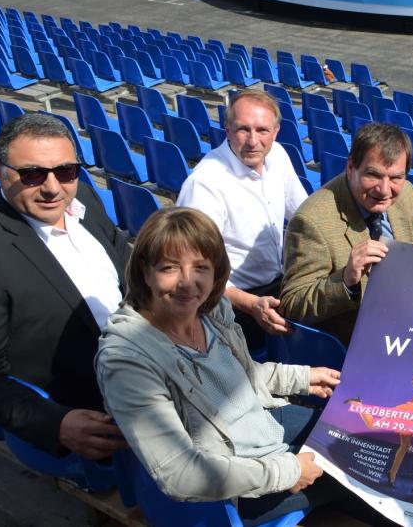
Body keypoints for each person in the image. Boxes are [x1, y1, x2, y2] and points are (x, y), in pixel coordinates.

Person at [96, 207, 344, 524]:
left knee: (355, 437)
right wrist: (288, 471)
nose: (188, 283)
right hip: (234, 484)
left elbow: (242, 375)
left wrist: (300, 377)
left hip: (262, 424)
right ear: (145, 271)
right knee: (363, 478)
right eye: (170, 267)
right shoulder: (126, 361)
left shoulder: (212, 309)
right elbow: (179, 473)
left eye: (201, 267)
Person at [0, 114, 129, 460]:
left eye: (66, 171)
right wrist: (57, 424)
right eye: (33, 174)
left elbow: (124, 261)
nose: (53, 188)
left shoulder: (83, 196)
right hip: (100, 413)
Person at [177, 89, 308, 352]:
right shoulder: (205, 185)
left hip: (278, 283)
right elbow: (193, 272)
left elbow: (304, 215)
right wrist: (250, 304)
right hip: (232, 302)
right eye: (242, 130)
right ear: (226, 129)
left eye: (262, 130)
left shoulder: (278, 155)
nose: (253, 141)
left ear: (276, 131)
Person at [281, 122, 413, 345]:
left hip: (408, 321)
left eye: (396, 177)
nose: (384, 190)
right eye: (373, 175)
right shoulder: (311, 221)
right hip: (357, 342)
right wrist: (346, 280)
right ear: (351, 168)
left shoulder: (407, 194)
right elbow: (292, 305)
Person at [350, 361, 413, 487]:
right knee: (372, 425)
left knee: (404, 446)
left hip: (411, 416)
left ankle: (392, 474)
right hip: (408, 416)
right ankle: (357, 404)